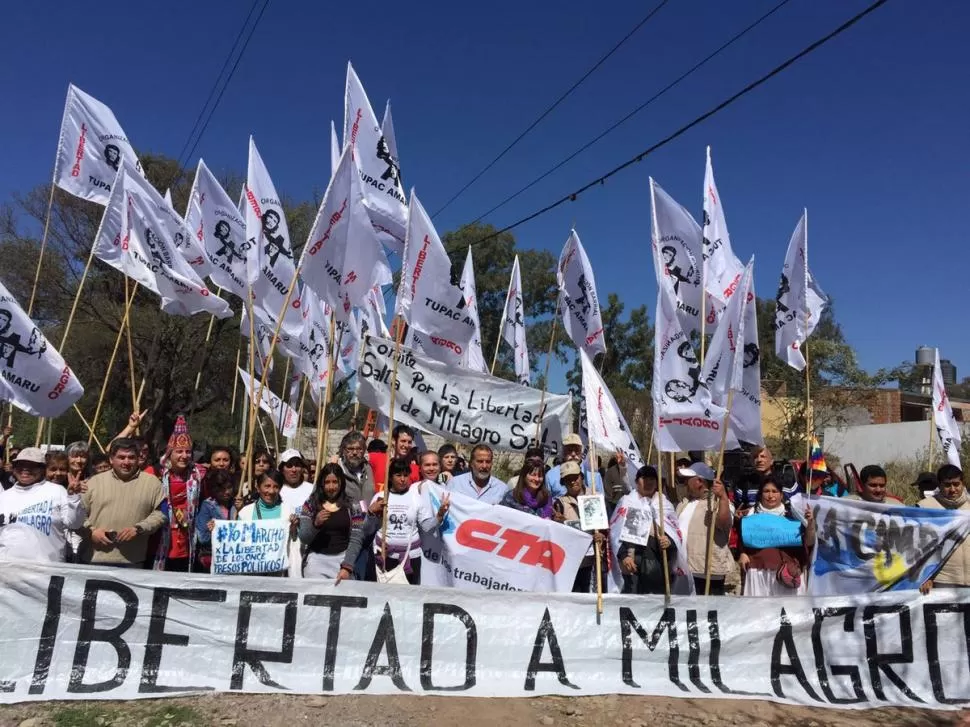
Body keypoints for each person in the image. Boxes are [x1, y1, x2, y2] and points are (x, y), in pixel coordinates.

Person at [80, 438, 166, 568]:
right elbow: (78, 515)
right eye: (121, 457)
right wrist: (91, 532)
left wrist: (139, 529)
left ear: (138, 459)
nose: (126, 462)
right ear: (111, 459)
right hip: (93, 558)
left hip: (132, 561)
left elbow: (161, 514)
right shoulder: (92, 483)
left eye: (131, 457)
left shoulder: (153, 483)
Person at [363, 458, 450, 585]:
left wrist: (439, 515)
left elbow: (426, 527)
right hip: (383, 557)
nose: (403, 479)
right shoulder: (380, 497)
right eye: (398, 475)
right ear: (391, 477)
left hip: (410, 558)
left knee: (408, 599)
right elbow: (368, 529)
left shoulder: (416, 498)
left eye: (405, 475)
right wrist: (371, 512)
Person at [0, 447, 85, 562]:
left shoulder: (57, 491)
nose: (25, 469)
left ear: (42, 469)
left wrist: (74, 497)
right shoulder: (4, 497)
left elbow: (75, 524)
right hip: (8, 573)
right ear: (14, 469)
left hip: (46, 573)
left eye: (32, 466)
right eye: (20, 465)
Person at [738, 476, 815, 596]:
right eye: (766, 491)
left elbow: (808, 543)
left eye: (774, 491)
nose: (770, 495)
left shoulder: (792, 516)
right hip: (758, 573)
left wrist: (810, 523)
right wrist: (743, 553)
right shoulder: (750, 516)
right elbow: (743, 540)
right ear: (760, 494)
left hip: (787, 573)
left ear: (781, 495)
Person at [614, 465, 677, 595]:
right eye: (644, 478)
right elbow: (615, 533)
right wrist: (624, 556)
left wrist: (669, 542)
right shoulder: (626, 502)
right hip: (630, 566)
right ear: (637, 481)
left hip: (658, 568)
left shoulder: (665, 505)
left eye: (652, 479)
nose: (648, 482)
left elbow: (676, 534)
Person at [155, 415, 205, 572]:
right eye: (179, 451)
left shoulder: (198, 474)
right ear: (170, 453)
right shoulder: (156, 473)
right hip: (161, 535)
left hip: (187, 535)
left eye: (188, 452)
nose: (184, 456)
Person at [298, 463, 365, 581]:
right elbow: (304, 537)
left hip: (342, 561)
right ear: (321, 484)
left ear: (341, 483)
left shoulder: (352, 505)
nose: (331, 487)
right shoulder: (311, 504)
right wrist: (315, 525)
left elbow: (356, 537)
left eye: (335, 482)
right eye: (327, 483)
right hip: (316, 562)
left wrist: (347, 567)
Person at [676, 462, 733, 595]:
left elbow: (723, 522)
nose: (685, 483)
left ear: (699, 481)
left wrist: (723, 497)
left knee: (710, 612)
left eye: (687, 480)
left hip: (707, 572)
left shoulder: (717, 503)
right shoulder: (684, 503)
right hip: (685, 569)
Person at [238, 470, 302, 577]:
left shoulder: (288, 511)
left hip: (278, 573)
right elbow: (237, 540)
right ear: (258, 487)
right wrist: (216, 528)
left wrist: (294, 527)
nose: (271, 491)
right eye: (267, 486)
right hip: (251, 572)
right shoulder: (246, 512)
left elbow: (294, 540)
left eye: (276, 487)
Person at [919, 465, 970, 592]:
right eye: (947, 485)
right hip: (942, 581)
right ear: (939, 485)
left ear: (963, 484)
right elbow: (918, 547)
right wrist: (926, 577)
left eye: (956, 484)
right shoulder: (925, 508)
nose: (952, 489)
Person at [194, 469, 238, 572]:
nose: (227, 492)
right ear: (214, 490)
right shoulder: (208, 506)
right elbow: (203, 538)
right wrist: (215, 531)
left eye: (229, 488)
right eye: (222, 489)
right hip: (213, 557)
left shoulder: (236, 504)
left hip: (234, 558)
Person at [545, 434, 603, 498]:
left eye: (577, 450)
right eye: (569, 450)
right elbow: (548, 502)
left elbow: (602, 501)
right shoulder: (551, 475)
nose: (573, 454)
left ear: (581, 452)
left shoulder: (594, 475)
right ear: (563, 452)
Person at [369, 425, 420, 490]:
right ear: (393, 441)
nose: (407, 445)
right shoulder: (376, 458)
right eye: (403, 441)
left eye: (409, 442)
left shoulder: (415, 469)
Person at [335, 431, 376, 505]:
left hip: (367, 515)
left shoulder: (368, 468)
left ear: (364, 450)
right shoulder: (336, 469)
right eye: (350, 449)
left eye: (359, 449)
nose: (354, 452)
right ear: (343, 450)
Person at [277, 449, 314, 513]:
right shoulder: (276, 490)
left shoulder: (312, 489)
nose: (294, 470)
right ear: (282, 469)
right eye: (289, 466)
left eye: (297, 465)